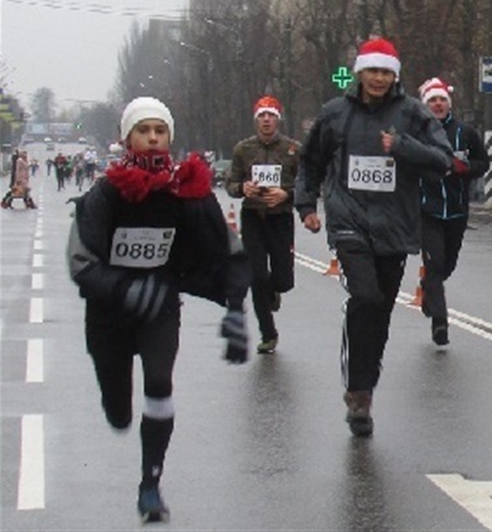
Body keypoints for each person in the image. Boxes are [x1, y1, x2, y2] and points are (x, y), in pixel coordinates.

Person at [67, 97, 251, 522]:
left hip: (160, 307)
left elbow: (228, 252)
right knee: (118, 411)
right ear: (127, 137)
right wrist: (122, 290)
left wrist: (236, 308)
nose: (152, 137)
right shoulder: (106, 194)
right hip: (108, 313)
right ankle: (116, 404)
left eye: (160, 130)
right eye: (143, 130)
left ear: (169, 137)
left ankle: (150, 483)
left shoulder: (187, 193)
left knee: (159, 382)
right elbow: (81, 262)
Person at [294, 37, 454, 437]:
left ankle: (365, 389)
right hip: (348, 221)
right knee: (364, 297)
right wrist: (307, 206)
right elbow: (310, 162)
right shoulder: (335, 114)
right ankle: (357, 391)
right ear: (360, 72)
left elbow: (442, 161)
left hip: (395, 226)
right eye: (372, 71)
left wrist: (403, 146)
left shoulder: (413, 114)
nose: (379, 78)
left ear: (394, 75)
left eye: (386, 72)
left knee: (380, 312)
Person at [416, 76, 489, 347]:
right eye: (432, 100)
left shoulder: (465, 132)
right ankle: (440, 324)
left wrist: (466, 169)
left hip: (457, 211)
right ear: (426, 105)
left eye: (441, 100)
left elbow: (483, 162)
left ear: (448, 104)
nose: (437, 104)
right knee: (434, 266)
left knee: (447, 266)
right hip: (428, 210)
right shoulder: (418, 132)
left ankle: (429, 292)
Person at [225, 95, 301, 356]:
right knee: (256, 276)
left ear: (277, 119)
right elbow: (231, 185)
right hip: (253, 218)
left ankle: (274, 291)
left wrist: (286, 194)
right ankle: (268, 334)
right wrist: (243, 188)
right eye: (262, 116)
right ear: (256, 120)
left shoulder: (293, 149)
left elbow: (307, 185)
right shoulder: (243, 150)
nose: (266, 120)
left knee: (283, 280)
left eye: (271, 115)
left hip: (280, 218)